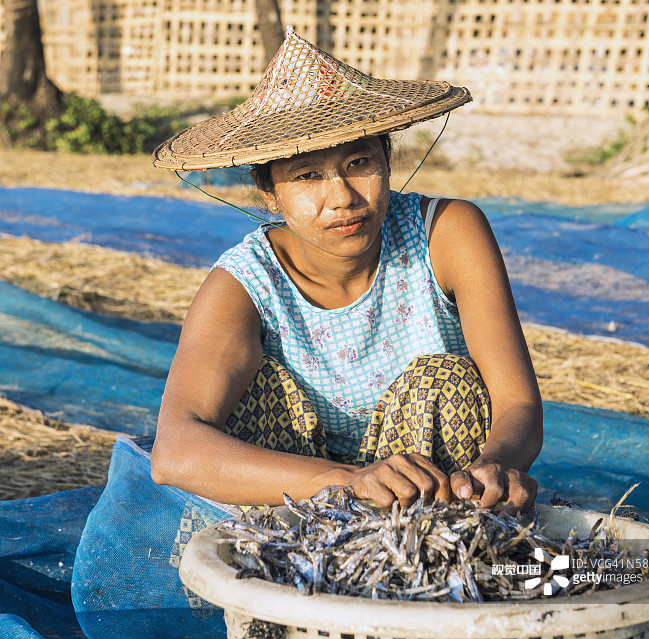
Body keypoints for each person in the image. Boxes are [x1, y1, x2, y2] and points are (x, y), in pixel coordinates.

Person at [150, 26, 542, 516]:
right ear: (269, 191)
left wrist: (497, 463)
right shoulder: (245, 285)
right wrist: (346, 481)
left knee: (444, 381)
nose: (342, 198)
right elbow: (175, 451)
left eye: (359, 162)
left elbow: (517, 401)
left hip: (435, 501)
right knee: (251, 392)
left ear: (387, 159)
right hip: (295, 510)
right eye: (308, 176)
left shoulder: (446, 232)